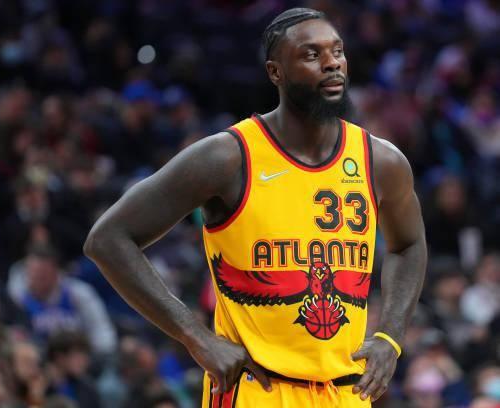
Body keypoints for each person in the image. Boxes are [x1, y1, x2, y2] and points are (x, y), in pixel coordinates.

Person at [84, 7, 427, 408]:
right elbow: (108, 239)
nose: (332, 63)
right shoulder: (227, 157)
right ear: (275, 72)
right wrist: (195, 336)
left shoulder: (381, 161)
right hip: (255, 389)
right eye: (312, 54)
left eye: (337, 51)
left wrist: (390, 337)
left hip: (345, 392)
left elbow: (409, 244)